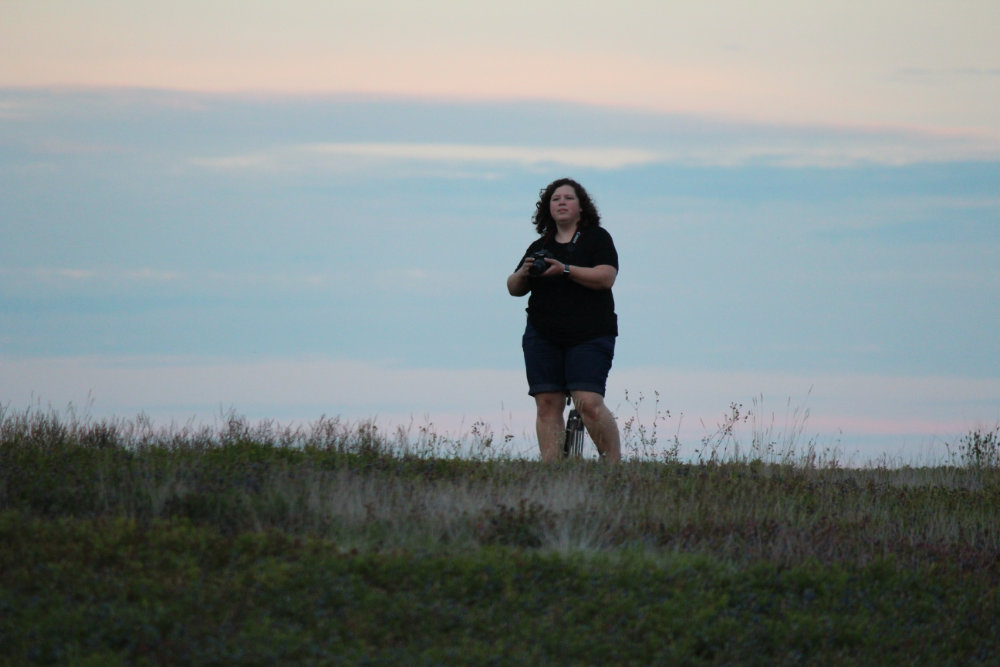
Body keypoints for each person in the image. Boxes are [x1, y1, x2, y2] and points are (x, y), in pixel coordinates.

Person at [507, 178, 622, 462]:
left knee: (588, 402)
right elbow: (513, 288)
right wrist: (525, 272)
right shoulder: (539, 246)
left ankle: (614, 467)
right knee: (547, 403)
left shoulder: (597, 238)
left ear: (581, 207)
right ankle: (552, 471)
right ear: (548, 208)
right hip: (543, 333)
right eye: (555, 198)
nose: (561, 202)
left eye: (568, 198)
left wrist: (566, 269)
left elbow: (606, 277)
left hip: (590, 333)